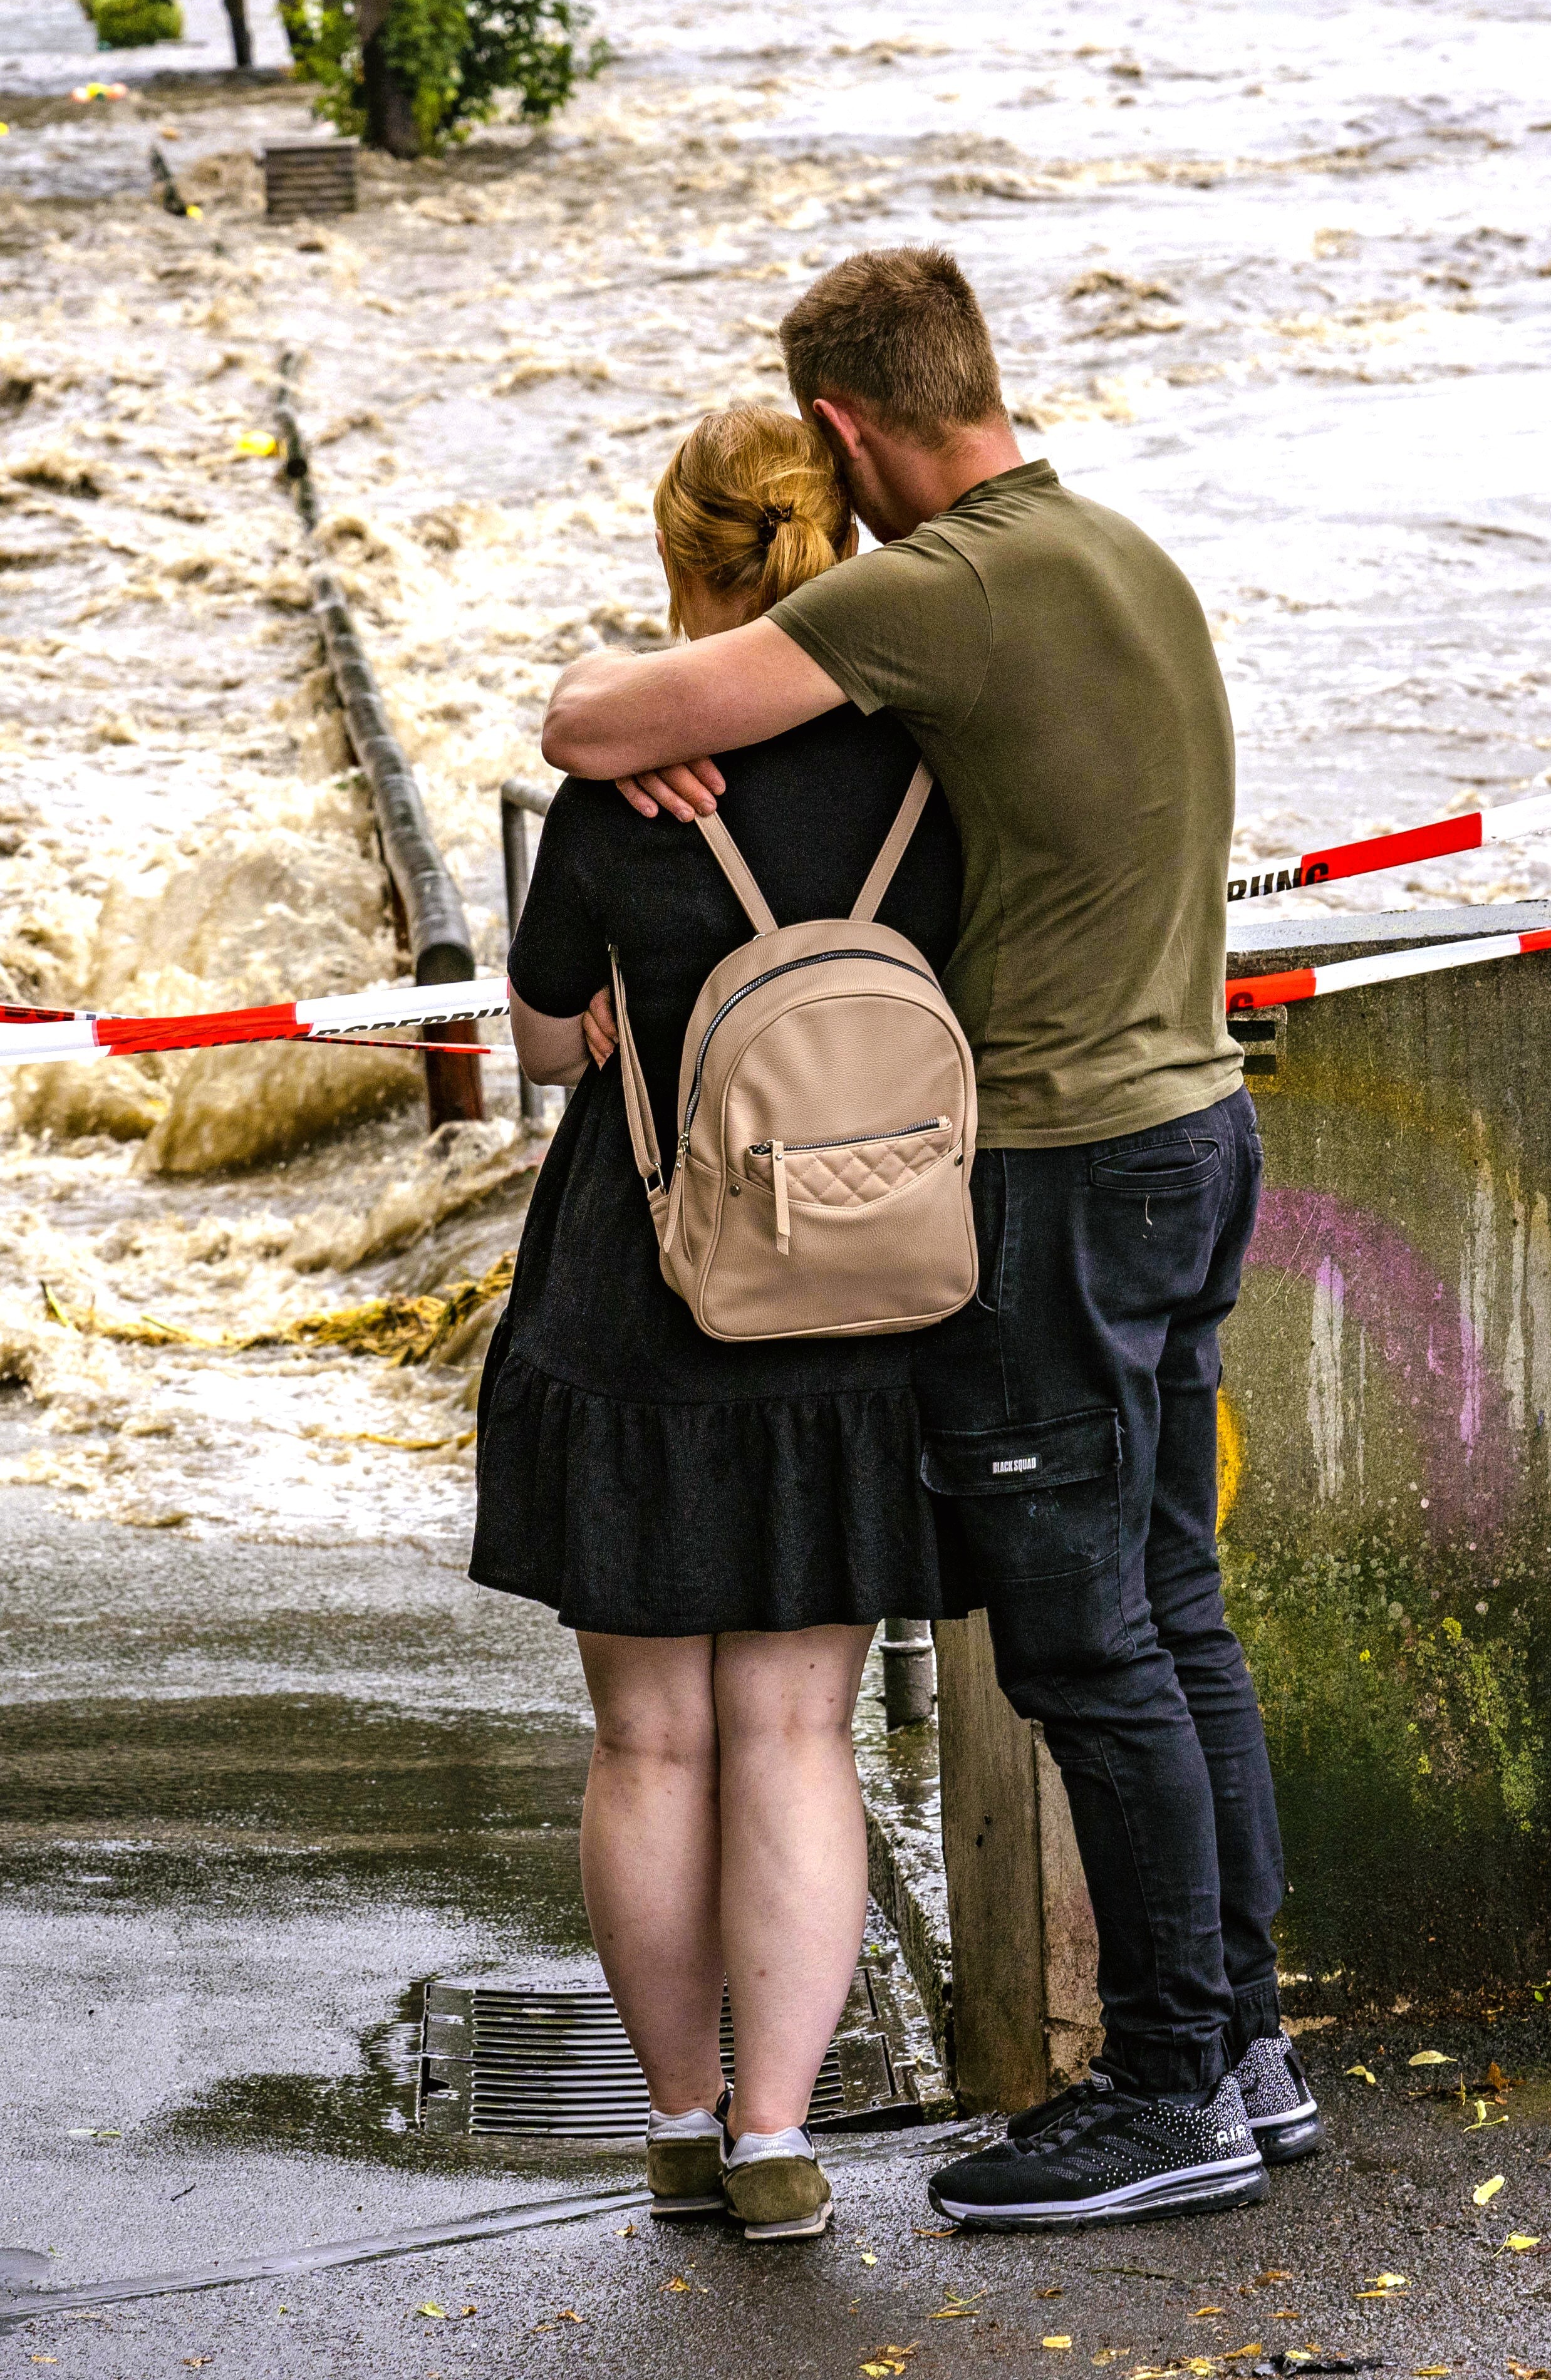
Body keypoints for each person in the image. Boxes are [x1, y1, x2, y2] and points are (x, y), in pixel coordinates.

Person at [537, 248, 1314, 2229]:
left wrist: (635, 735)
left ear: (845, 434)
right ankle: (1240, 2045)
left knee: (1086, 1646)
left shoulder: (934, 584)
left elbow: (597, 712)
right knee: (1175, 1612)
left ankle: (1162, 2096)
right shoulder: (1119, 549)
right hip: (1197, 1126)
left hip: (1056, 1170)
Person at [475, 405, 970, 2247]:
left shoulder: (624, 781)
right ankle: (779, 2137)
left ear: (681, 559)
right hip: (851, 1297)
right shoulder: (933, 767)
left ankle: (675, 2119)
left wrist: (610, 1002)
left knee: (651, 1750)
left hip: (636, 1289)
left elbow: (537, 1038)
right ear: (835, 541)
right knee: (794, 1738)